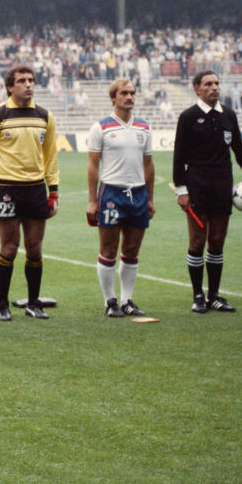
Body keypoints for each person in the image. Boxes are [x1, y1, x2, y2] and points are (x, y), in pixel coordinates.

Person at [172, 71, 242, 314]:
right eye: (208, 84)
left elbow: (240, 150)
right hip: (197, 183)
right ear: (197, 89)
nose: (214, 88)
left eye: (217, 83)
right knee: (197, 240)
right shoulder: (188, 117)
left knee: (217, 241)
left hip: (222, 183)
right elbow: (179, 156)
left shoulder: (228, 115)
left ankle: (214, 295)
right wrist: (181, 189)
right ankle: (198, 295)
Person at [0, 65, 59, 321]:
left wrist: (53, 190)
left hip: (35, 189)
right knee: (9, 248)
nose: (28, 84)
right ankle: (2, 304)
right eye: (22, 80)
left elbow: (51, 156)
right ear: (10, 87)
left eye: (31, 80)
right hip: (8, 189)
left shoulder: (45, 116)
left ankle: (34, 303)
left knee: (34, 249)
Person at [85, 79, 154, 318]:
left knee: (132, 249)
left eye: (132, 93)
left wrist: (150, 198)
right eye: (124, 93)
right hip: (112, 194)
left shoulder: (144, 128)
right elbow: (93, 166)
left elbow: (148, 164)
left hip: (138, 194)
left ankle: (127, 300)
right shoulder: (101, 127)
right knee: (108, 249)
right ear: (113, 98)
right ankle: (109, 301)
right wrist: (93, 201)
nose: (129, 97)